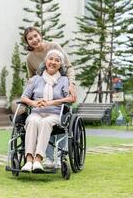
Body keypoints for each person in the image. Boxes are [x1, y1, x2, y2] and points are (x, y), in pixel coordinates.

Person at [23, 26, 77, 168]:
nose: (34, 40)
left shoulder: (54, 46)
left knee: (51, 120)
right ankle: (35, 159)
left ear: (40, 35)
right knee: (35, 120)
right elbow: (31, 78)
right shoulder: (30, 58)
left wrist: (71, 83)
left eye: (36, 36)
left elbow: (68, 66)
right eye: (30, 39)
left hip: (60, 88)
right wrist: (33, 100)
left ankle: (56, 156)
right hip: (40, 99)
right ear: (27, 43)